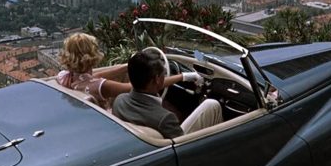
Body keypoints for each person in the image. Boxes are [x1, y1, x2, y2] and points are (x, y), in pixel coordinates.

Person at [57, 33, 200, 110]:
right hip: (111, 118)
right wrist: (183, 76)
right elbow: (141, 86)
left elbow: (94, 76)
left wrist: (129, 65)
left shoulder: (64, 77)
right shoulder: (100, 86)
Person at [112, 49, 222, 139]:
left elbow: (155, 84)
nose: (165, 76)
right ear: (156, 79)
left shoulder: (119, 101)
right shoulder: (165, 119)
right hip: (180, 147)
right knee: (212, 105)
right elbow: (183, 146)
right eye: (164, 73)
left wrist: (183, 76)